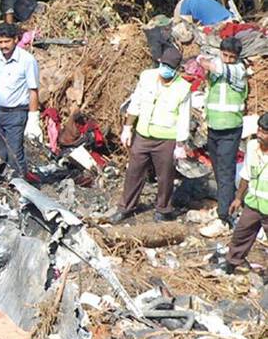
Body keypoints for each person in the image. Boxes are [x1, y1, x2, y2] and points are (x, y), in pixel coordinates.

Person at [109, 46, 192, 224]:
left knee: (165, 176)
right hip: (143, 135)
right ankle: (126, 208)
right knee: (134, 172)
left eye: (170, 68)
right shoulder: (147, 77)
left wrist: (180, 144)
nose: (166, 70)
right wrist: (127, 127)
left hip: (166, 139)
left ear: (177, 70)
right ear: (160, 62)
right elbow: (136, 101)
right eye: (164, 65)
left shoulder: (183, 88)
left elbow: (185, 117)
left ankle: (163, 209)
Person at [197, 36, 248, 237]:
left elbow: (214, 66)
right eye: (224, 55)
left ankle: (224, 218)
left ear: (237, 57)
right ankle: (224, 204)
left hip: (230, 129)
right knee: (219, 171)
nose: (227, 59)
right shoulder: (220, 63)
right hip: (214, 127)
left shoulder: (238, 70)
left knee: (226, 173)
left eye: (231, 57)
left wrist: (204, 61)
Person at [0, 23, 41, 183]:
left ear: (16, 40)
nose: (3, 46)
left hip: (16, 113)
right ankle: (5, 180)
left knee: (14, 151)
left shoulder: (27, 61)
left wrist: (33, 118)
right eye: (0, 42)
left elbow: (33, 90)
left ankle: (19, 184)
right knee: (2, 150)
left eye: (7, 42)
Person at [220, 114, 268, 274]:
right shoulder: (252, 146)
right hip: (253, 204)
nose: (260, 135)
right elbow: (246, 174)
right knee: (241, 234)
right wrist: (238, 198)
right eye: (259, 130)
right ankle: (232, 264)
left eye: (265, 132)